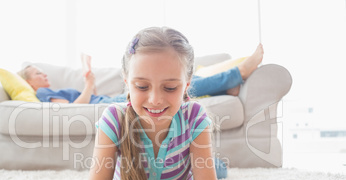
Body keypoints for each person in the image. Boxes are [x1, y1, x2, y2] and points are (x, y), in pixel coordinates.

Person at [70, 27, 260, 180]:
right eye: (142, 86)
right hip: (160, 170)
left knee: (218, 169)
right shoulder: (114, 118)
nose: (155, 99)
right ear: (127, 82)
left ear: (187, 85)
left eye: (170, 87)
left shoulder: (195, 116)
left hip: (184, 177)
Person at [18, 46, 263, 104]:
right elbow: (74, 108)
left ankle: (228, 84)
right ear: (28, 81)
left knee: (177, 85)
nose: (44, 75)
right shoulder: (41, 93)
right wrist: (90, 83)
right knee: (173, 87)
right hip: (106, 104)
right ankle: (236, 74)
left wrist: (89, 83)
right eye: (38, 73)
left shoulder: (46, 89)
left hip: (106, 99)